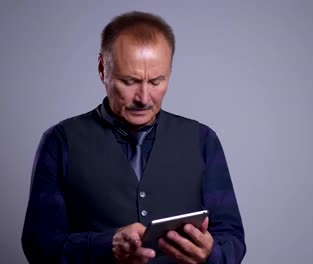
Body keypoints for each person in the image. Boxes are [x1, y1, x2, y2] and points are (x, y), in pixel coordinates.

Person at [21, 11, 246, 264]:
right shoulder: (60, 142)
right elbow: (39, 245)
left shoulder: (203, 140)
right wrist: (105, 245)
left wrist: (211, 254)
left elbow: (233, 238)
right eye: (129, 81)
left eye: (156, 81)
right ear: (102, 70)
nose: (144, 98)